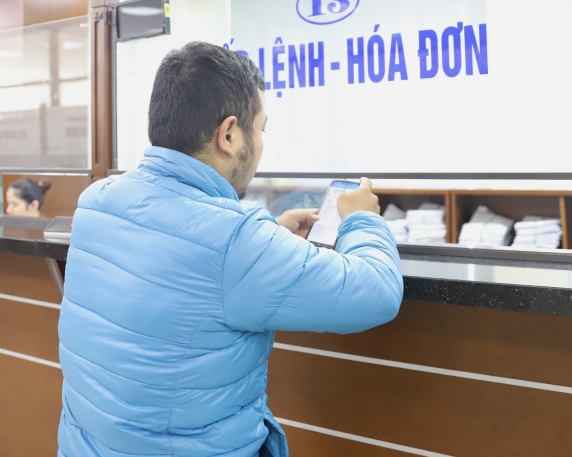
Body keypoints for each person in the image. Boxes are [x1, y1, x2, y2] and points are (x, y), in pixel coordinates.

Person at [57, 42, 403, 457]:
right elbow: (377, 292)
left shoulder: (97, 201)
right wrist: (362, 219)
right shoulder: (236, 241)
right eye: (260, 129)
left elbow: (184, 265)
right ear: (229, 134)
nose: (261, 142)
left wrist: (269, 236)